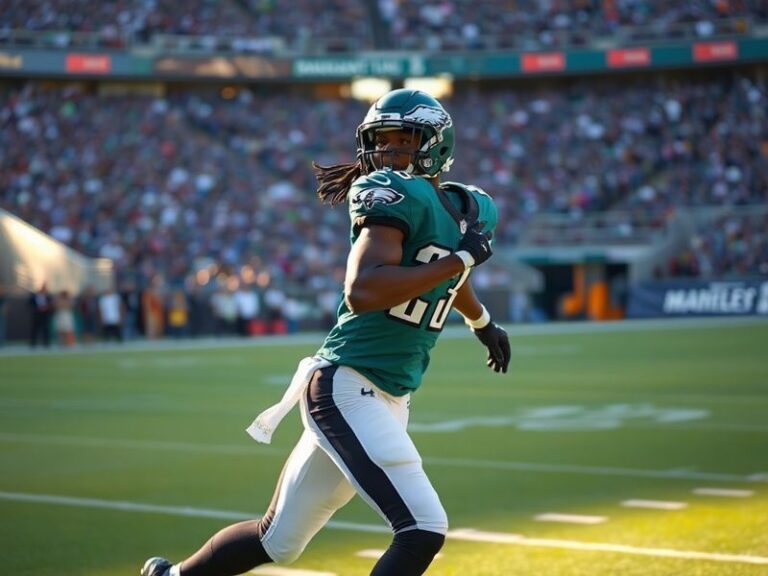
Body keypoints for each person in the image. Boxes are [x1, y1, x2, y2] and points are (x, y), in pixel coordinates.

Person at [141, 89, 510, 576]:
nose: (389, 153)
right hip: (348, 385)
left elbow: (442, 275)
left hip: (387, 393)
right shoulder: (392, 195)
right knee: (423, 527)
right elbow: (364, 289)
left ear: (436, 145)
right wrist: (462, 257)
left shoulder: (468, 207)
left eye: (404, 141)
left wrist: (481, 322)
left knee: (279, 541)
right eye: (382, 142)